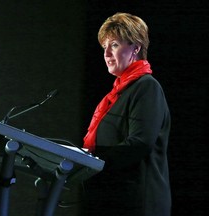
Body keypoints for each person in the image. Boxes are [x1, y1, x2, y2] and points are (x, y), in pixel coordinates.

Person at [82, 12, 171, 216]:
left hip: (139, 203)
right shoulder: (116, 96)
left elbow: (140, 143)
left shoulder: (147, 87)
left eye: (114, 45)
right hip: (115, 199)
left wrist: (92, 161)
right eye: (104, 47)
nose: (106, 54)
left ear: (136, 47)